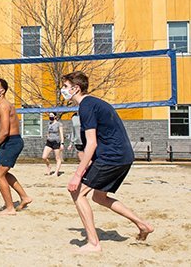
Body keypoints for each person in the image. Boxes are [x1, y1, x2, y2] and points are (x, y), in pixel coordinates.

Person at [62, 71, 153, 252]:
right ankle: (143, 225)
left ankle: (94, 243)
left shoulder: (86, 106)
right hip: (123, 156)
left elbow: (92, 143)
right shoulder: (94, 103)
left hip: (112, 157)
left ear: (76, 88)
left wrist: (77, 175)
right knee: (99, 197)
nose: (62, 90)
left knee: (77, 193)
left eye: (65, 87)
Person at [0, 79, 32, 215]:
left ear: (3, 91)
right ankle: (25, 197)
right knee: (3, 173)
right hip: (8, 141)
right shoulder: (4, 105)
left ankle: (10, 208)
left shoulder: (3, 106)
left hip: (11, 141)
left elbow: (5, 131)